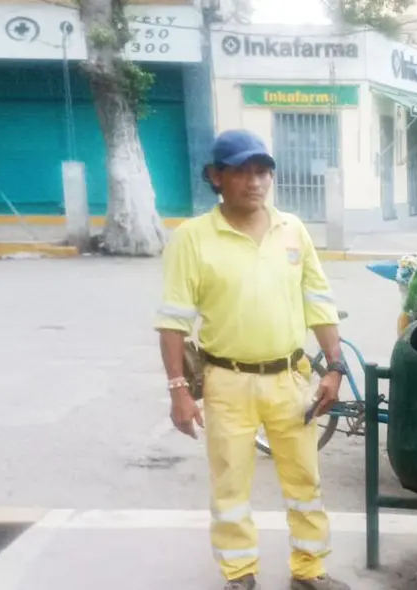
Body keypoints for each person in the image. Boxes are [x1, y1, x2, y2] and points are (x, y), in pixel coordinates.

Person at [155, 129, 350, 590]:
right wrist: (178, 391)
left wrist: (336, 367)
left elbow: (318, 302)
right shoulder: (193, 238)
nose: (255, 181)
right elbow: (172, 322)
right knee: (230, 486)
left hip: (290, 377)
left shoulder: (293, 230)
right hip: (227, 380)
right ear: (216, 177)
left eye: (262, 171)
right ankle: (239, 575)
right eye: (241, 171)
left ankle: (310, 570)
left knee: (306, 482)